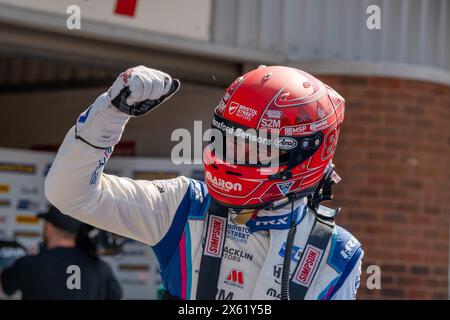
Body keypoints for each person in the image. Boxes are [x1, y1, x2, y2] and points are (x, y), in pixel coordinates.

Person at [45, 65, 363, 300]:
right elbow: (69, 194)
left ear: (306, 153)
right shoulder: (185, 206)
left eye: (257, 146)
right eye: (229, 139)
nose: (236, 155)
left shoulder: (336, 255)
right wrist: (110, 115)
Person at [0, 206, 122, 299]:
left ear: (48, 228)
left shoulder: (28, 264)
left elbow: (4, 288)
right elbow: (117, 296)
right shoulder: (101, 268)